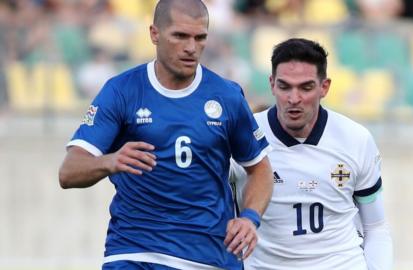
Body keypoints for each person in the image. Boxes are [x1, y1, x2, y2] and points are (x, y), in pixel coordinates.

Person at [58, 0, 273, 269]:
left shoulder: (226, 96)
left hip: (208, 254)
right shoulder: (121, 91)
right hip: (136, 252)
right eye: (180, 36)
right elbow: (68, 172)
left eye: (200, 37)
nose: (191, 48)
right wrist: (110, 161)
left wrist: (250, 218)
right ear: (154, 34)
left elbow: (260, 169)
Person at [230, 38, 393, 270]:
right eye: (285, 86)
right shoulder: (243, 134)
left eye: (305, 87)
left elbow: (376, 227)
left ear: (324, 87)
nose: (293, 99)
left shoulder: (355, 139)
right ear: (272, 84)